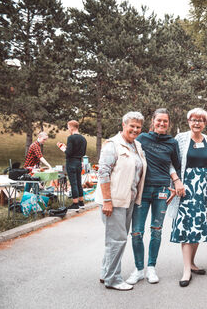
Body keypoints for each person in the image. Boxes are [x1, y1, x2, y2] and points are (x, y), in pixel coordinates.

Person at [126, 108, 184, 285]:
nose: (162, 123)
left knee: (156, 230)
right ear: (153, 121)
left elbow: (176, 165)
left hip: (161, 190)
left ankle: (151, 267)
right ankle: (138, 269)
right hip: (142, 190)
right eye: (159, 120)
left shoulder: (172, 142)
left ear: (169, 123)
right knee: (136, 231)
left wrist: (175, 183)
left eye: (165, 121)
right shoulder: (142, 139)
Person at [95, 111, 147, 291]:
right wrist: (107, 200)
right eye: (131, 125)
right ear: (123, 125)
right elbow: (103, 173)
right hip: (114, 200)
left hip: (129, 200)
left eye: (138, 127)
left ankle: (105, 273)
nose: (135, 129)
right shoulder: (113, 145)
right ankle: (113, 279)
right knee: (117, 240)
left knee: (116, 239)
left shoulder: (136, 145)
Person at [169, 107, 207, 287]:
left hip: (205, 189)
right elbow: (170, 162)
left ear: (205, 123)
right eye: (193, 119)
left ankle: (192, 263)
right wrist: (176, 181)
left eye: (201, 120)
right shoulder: (180, 139)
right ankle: (186, 271)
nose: (197, 123)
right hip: (186, 189)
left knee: (199, 227)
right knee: (187, 228)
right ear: (188, 121)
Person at [57, 120, 87, 210]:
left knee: (73, 183)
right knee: (78, 182)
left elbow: (68, 152)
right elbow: (83, 152)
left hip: (71, 162)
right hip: (79, 161)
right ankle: (81, 202)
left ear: (72, 127)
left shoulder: (71, 138)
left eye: (68, 127)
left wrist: (62, 148)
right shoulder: (83, 139)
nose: (68, 129)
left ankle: (75, 203)